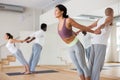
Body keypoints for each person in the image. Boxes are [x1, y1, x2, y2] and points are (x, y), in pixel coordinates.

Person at [55, 4, 100, 80]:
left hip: (76, 45)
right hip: (69, 47)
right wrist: (73, 32)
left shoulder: (68, 20)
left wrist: (94, 31)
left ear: (62, 11)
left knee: (83, 66)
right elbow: (67, 30)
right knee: (77, 67)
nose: (54, 12)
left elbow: (82, 27)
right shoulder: (59, 24)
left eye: (56, 10)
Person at [87, 7, 114, 80]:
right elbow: (105, 24)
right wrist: (99, 28)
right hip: (101, 44)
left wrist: (80, 30)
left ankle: (88, 78)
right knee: (98, 64)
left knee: (91, 62)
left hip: (94, 42)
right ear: (112, 13)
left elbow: (90, 26)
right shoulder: (110, 18)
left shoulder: (99, 19)